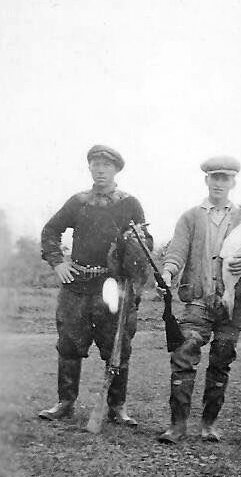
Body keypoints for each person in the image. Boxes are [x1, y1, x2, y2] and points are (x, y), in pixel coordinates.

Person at [39, 145, 153, 425]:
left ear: (116, 170)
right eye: (95, 164)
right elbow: (50, 230)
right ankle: (65, 402)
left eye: (106, 165)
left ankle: (117, 407)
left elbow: (144, 243)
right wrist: (58, 262)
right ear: (89, 168)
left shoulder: (129, 203)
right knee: (68, 344)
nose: (100, 169)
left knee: (117, 345)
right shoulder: (78, 201)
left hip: (112, 286)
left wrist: (132, 260)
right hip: (76, 284)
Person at [158, 156, 241, 444]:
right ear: (206, 180)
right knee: (184, 356)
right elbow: (177, 252)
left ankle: (209, 424)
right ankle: (177, 426)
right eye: (214, 178)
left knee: (221, 360)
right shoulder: (190, 217)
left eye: (225, 178)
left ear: (233, 183)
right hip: (198, 299)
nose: (219, 183)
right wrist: (167, 272)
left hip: (233, 304)